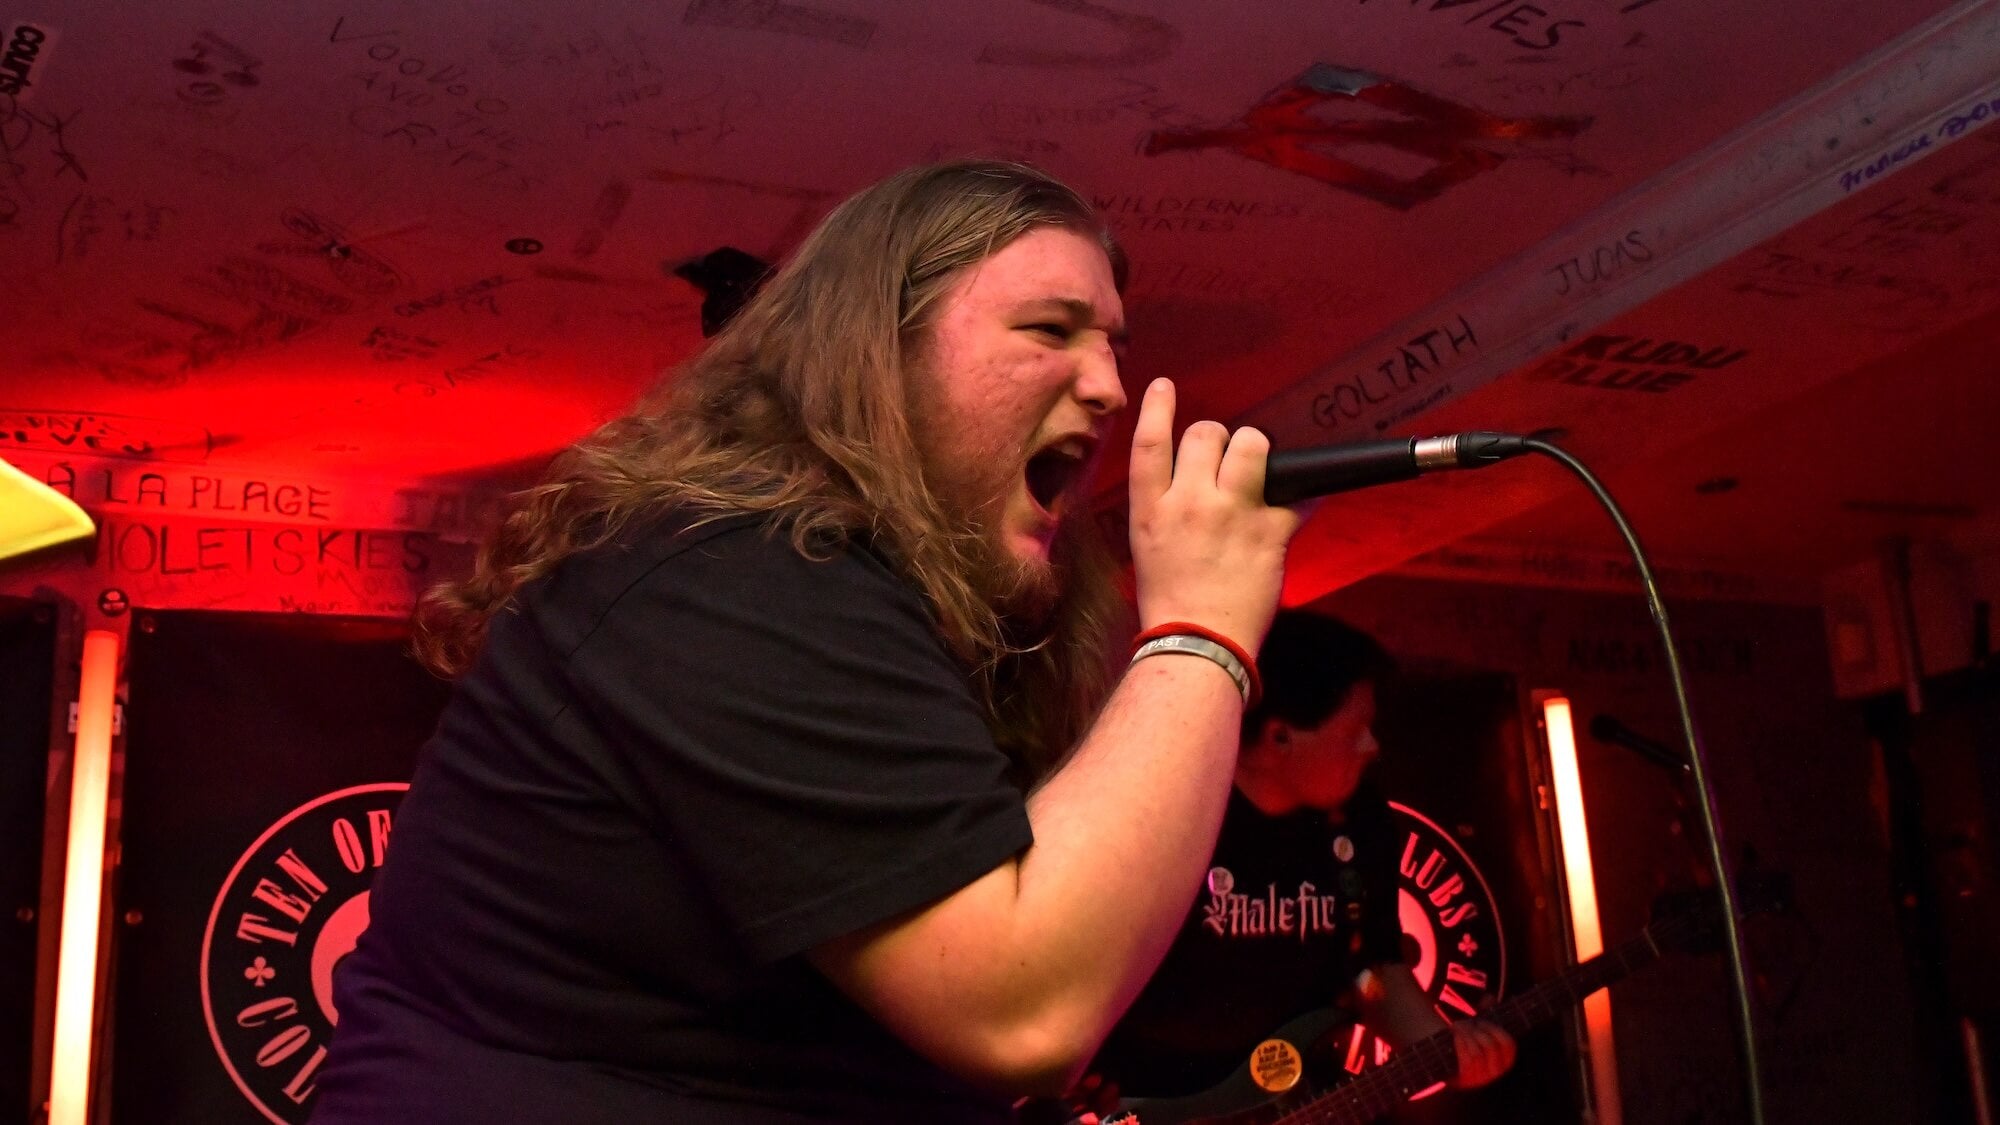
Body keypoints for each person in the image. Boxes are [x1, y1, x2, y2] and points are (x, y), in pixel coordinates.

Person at [309, 160, 1303, 1124]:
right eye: (1051, 329)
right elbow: (1021, 1010)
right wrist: (1198, 626)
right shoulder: (734, 573)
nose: (1109, 386)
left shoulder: (879, 603)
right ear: (880, 354)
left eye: (1113, 345)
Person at [1084, 611, 1516, 1106]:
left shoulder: (1361, 820)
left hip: (1288, 1099)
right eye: (1355, 730)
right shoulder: (1165, 812)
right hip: (1135, 1100)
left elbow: (1373, 972)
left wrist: (1445, 1051)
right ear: (1278, 738)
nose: (1372, 746)